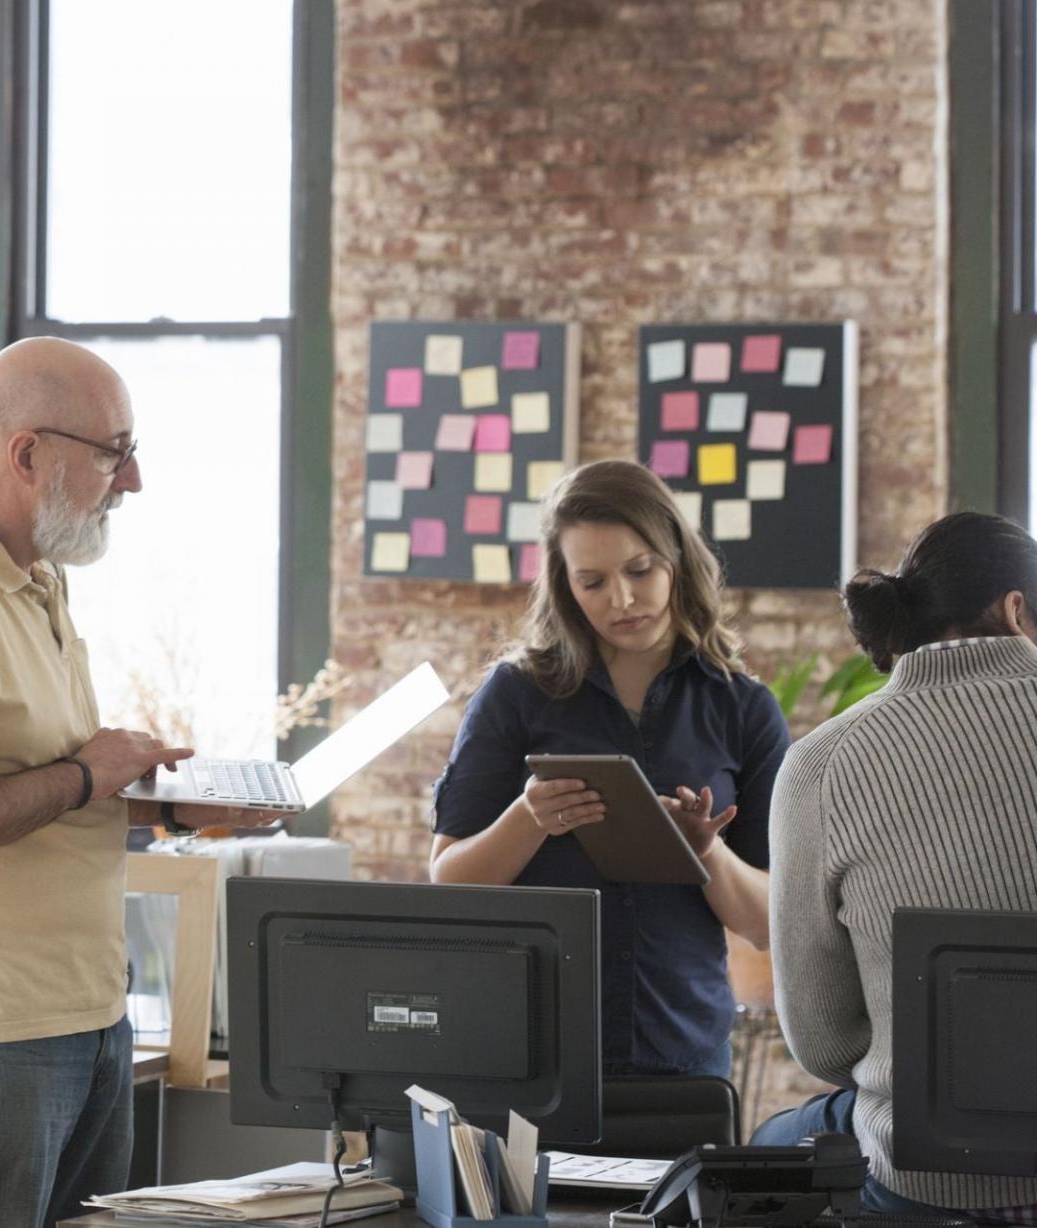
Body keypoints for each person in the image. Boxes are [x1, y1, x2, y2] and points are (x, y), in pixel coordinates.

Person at [0, 337, 278, 1227]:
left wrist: (160, 803)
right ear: (28, 454)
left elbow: (42, 783)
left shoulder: (39, 577)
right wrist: (89, 773)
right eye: (115, 451)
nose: (134, 480)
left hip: (87, 1018)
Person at [428, 459, 787, 1077]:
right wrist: (528, 818)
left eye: (640, 570)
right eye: (592, 582)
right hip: (531, 1046)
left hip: (681, 1054)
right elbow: (449, 880)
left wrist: (705, 851)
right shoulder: (515, 694)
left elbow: (767, 924)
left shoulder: (743, 707)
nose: (622, 600)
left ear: (675, 556)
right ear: (565, 587)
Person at [754, 511, 1037, 1221]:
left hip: (925, 1182)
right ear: (1016, 610)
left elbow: (823, 1042)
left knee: (770, 1144)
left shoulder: (822, 765)